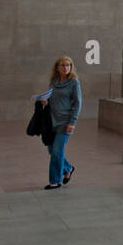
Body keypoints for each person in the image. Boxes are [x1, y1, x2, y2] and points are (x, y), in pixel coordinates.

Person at [37, 56, 81, 189]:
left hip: (65, 121)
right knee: (52, 150)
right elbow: (52, 98)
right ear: (57, 67)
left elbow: (78, 103)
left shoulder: (74, 82)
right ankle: (67, 168)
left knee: (57, 151)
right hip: (52, 121)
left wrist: (72, 122)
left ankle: (55, 181)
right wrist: (45, 101)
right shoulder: (54, 82)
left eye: (68, 65)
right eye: (63, 65)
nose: (66, 67)